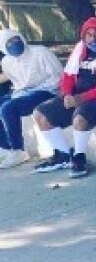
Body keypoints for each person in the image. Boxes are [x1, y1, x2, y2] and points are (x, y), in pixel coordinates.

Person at [32, 17, 96, 178]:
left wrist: (83, 98)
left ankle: (79, 157)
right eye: (89, 35)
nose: (93, 39)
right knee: (41, 114)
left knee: (80, 117)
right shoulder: (79, 50)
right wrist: (67, 95)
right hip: (79, 96)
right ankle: (63, 155)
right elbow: (68, 76)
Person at [0, 29, 63, 169]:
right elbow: (18, 83)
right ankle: (5, 148)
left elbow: (58, 78)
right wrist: (21, 92)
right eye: (9, 42)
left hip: (48, 91)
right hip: (23, 93)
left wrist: (32, 90)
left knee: (8, 108)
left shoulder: (40, 52)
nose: (14, 44)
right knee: (3, 104)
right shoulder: (7, 62)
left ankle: (18, 150)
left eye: (16, 39)